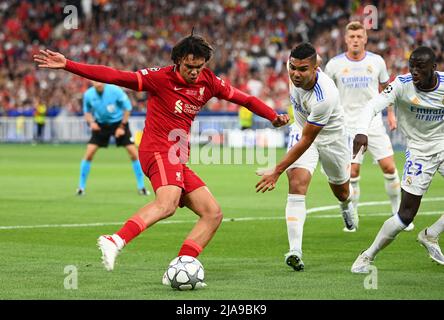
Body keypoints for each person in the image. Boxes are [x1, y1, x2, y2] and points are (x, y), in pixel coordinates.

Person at [33, 34, 289, 283]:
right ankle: (115, 240)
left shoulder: (209, 81)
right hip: (157, 150)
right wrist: (68, 64)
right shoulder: (159, 78)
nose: (194, 72)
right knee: (167, 204)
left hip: (176, 156)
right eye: (190, 66)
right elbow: (115, 76)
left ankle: (181, 265)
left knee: (212, 213)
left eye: (199, 67)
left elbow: (244, 98)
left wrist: (272, 115)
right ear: (178, 61)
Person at [255, 42, 356, 271]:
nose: (295, 74)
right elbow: (303, 133)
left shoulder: (325, 96)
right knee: (297, 185)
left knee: (341, 191)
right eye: (292, 67)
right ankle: (295, 250)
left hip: (332, 140)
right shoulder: (293, 77)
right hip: (301, 133)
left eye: (302, 70)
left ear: (315, 67)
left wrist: (276, 170)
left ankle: (346, 205)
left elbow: (308, 140)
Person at [351, 46, 444, 273]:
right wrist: (361, 131)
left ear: (434, 67)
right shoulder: (401, 85)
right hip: (419, 151)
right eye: (411, 66)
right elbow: (372, 105)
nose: (414, 71)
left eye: (420, 67)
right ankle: (366, 256)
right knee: (406, 215)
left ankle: (431, 235)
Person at [324, 21, 413, 232]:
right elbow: (327, 95)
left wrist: (390, 114)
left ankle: (397, 213)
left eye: (359, 37)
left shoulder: (377, 61)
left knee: (389, 167)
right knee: (352, 172)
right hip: (347, 124)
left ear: (365, 38)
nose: (355, 40)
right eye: (352, 37)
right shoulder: (334, 65)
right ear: (346, 39)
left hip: (373, 122)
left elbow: (386, 89)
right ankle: (352, 218)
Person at [76, 81, 149, 196]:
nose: (98, 83)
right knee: (89, 153)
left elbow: (127, 108)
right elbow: (87, 111)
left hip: (119, 123)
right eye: (95, 80)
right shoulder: (88, 94)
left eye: (100, 80)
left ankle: (142, 187)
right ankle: (81, 188)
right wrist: (91, 123)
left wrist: (121, 126)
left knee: (133, 153)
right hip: (101, 125)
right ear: (91, 81)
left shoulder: (115, 90)